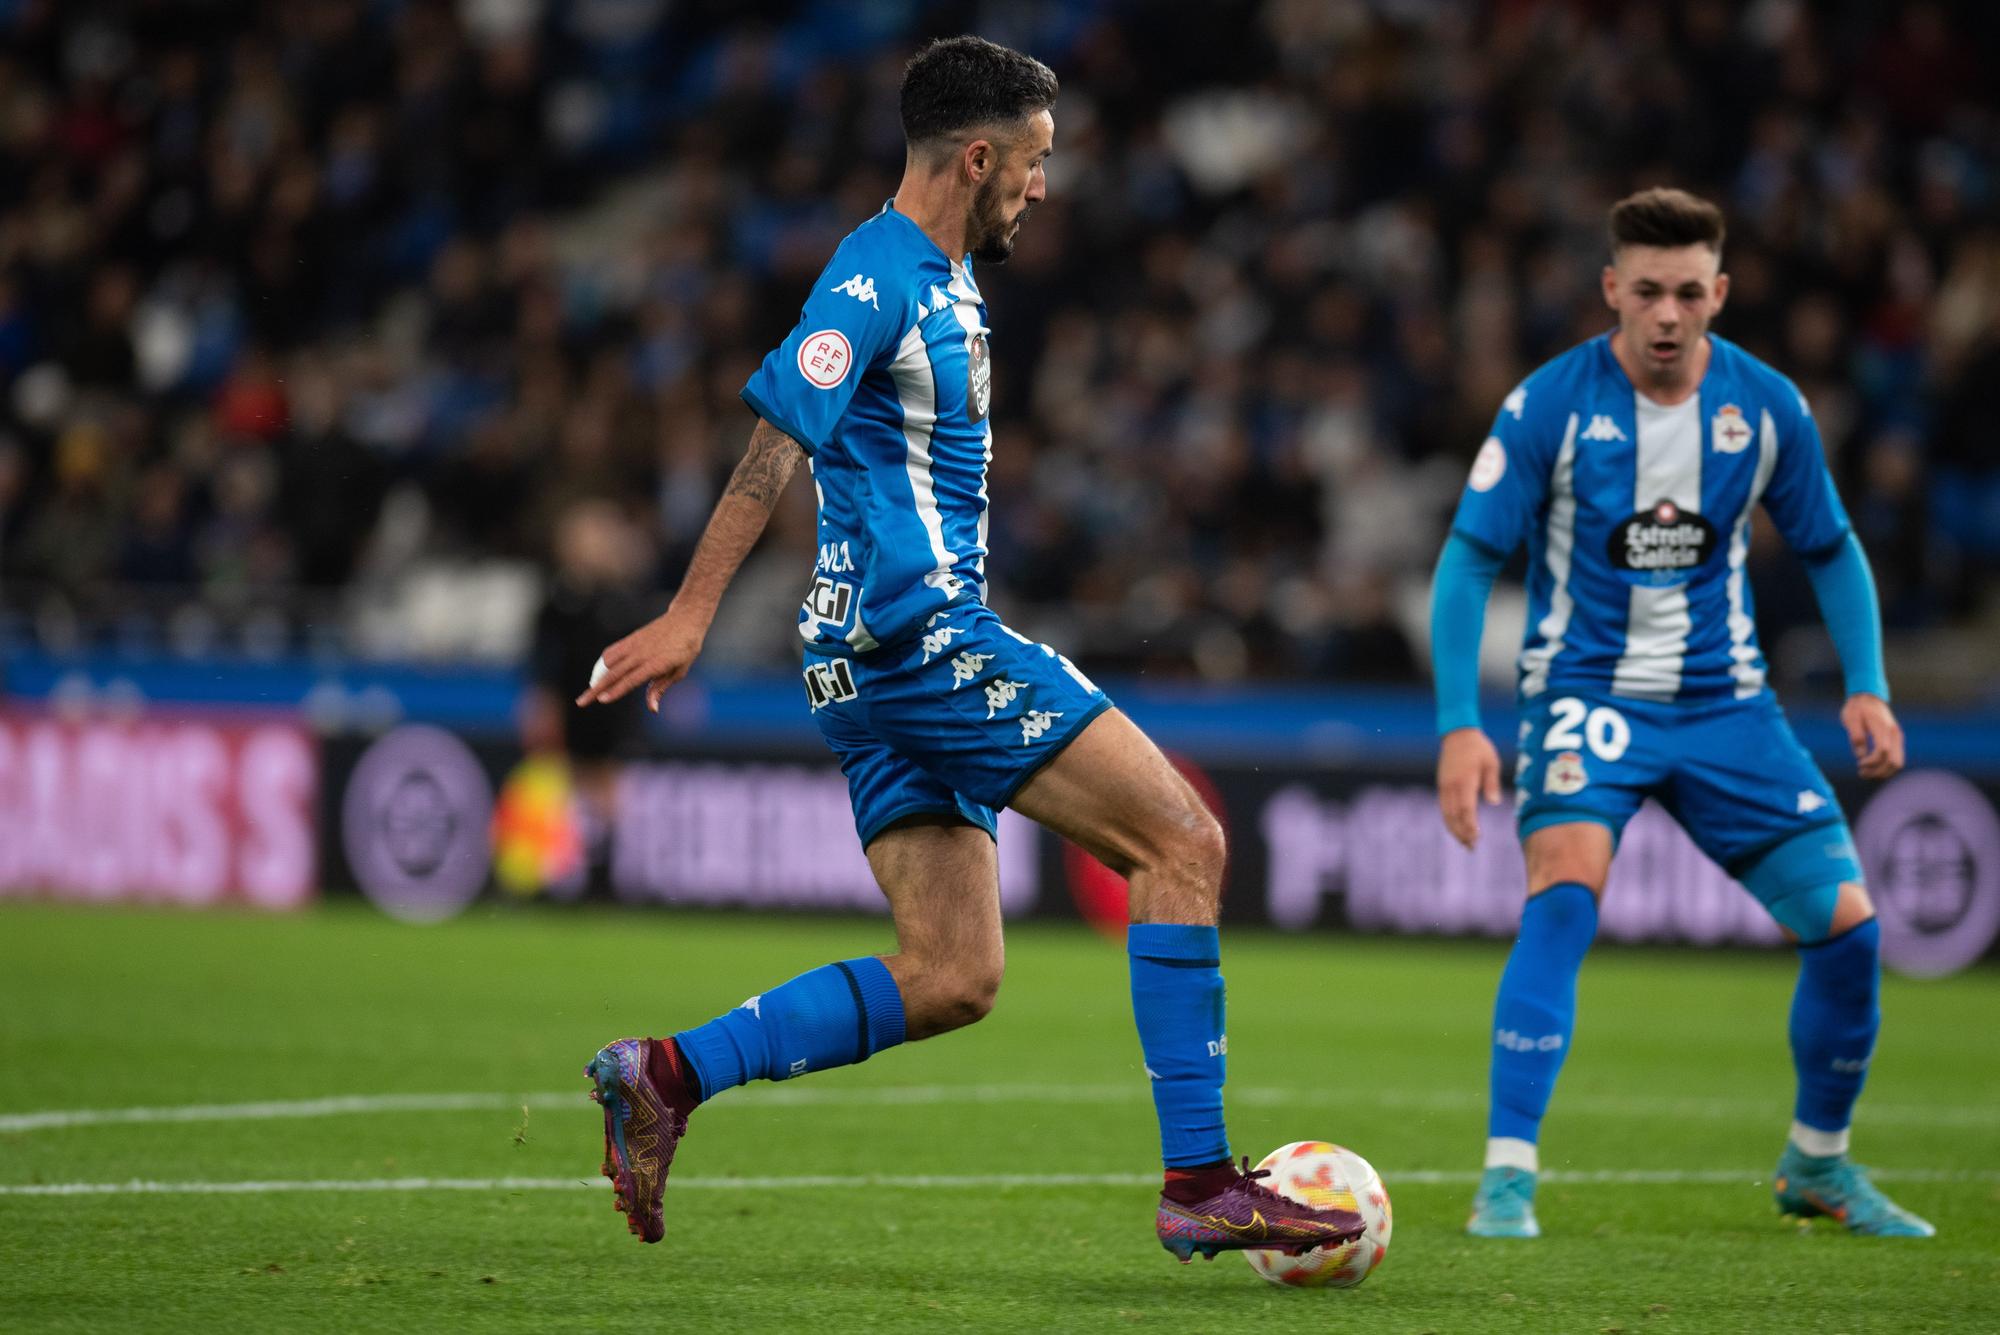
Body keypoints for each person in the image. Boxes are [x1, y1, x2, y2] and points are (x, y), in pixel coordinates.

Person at [574, 35, 1363, 1262]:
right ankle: (1202, 1181)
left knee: (951, 975)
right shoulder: (874, 275)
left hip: (858, 662)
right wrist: (689, 616)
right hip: (914, 644)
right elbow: (776, 438)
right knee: (1183, 841)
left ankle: (666, 1074)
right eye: (1034, 162)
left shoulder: (945, 276)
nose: (1042, 188)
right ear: (979, 156)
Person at [1430, 187, 1933, 1239]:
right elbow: (1469, 559)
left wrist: (1867, 683)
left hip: (1725, 706)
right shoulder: (1548, 407)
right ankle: (1506, 1176)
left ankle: (1818, 1166)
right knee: (1563, 893)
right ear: (1611, 290)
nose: (1666, 314)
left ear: (1719, 294)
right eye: (1646, 291)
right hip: (1585, 697)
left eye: (1688, 292)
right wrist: (1457, 724)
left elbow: (1831, 548)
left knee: (1846, 930)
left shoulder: (1765, 409)